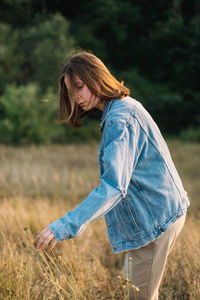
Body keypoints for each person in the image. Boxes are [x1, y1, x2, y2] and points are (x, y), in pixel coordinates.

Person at [37, 51, 190, 299]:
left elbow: (113, 187)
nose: (76, 97)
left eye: (79, 87)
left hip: (156, 222)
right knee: (134, 291)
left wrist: (62, 226)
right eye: (71, 91)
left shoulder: (119, 120)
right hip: (154, 217)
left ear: (96, 78)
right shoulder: (121, 108)